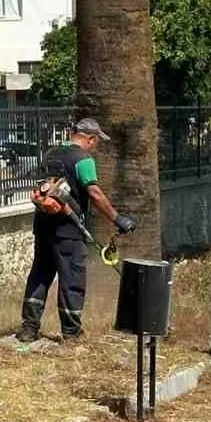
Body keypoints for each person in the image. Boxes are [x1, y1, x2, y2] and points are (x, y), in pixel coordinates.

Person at [18, 118, 134, 344]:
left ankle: (28, 329)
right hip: (68, 230)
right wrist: (117, 218)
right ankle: (71, 334)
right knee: (72, 278)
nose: (96, 146)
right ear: (90, 139)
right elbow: (94, 193)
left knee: (40, 275)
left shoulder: (51, 153)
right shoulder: (84, 159)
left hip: (42, 225)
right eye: (96, 142)